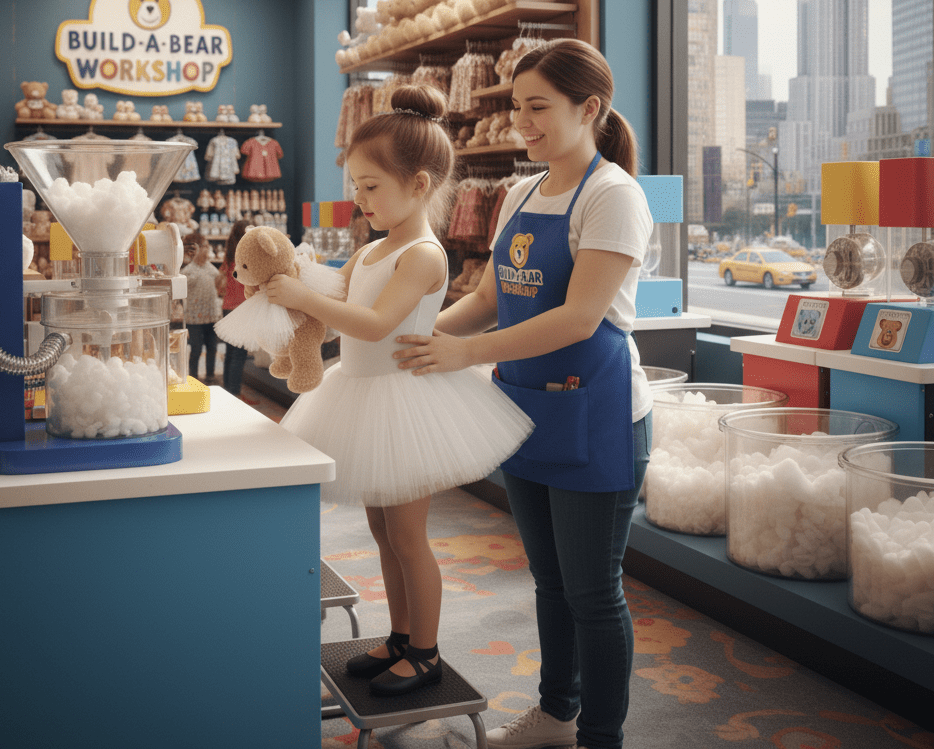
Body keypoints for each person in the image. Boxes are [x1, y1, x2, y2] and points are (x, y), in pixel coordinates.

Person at [393, 39, 653, 748]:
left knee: (595, 593)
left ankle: (601, 734)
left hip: (595, 414)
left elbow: (578, 316)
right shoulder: (519, 192)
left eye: (539, 108)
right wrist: (413, 338)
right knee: (549, 582)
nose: (522, 123)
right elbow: (489, 297)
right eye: (516, 107)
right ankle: (556, 713)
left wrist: (464, 355)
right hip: (527, 407)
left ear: (588, 109)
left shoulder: (615, 196)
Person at [266, 84, 534, 697]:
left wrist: (306, 298)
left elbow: (376, 324)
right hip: (359, 393)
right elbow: (345, 308)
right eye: (355, 187)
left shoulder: (423, 254)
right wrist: (300, 287)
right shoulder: (373, 250)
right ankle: (399, 636)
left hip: (402, 400)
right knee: (383, 533)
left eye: (371, 187)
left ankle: (427, 652)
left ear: (418, 184)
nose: (360, 201)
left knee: (410, 537)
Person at [216, 218, 252, 397]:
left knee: (231, 352)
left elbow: (222, 277)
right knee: (239, 354)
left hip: (228, 306)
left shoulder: (230, 254)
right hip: (244, 308)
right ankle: (234, 394)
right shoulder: (248, 254)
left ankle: (228, 391)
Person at [181, 232, 222, 382]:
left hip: (211, 316)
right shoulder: (188, 270)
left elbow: (218, 281)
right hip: (194, 318)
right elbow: (183, 288)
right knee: (196, 349)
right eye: (204, 246)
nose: (206, 249)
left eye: (207, 246)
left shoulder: (211, 268)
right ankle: (193, 378)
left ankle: (210, 377)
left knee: (212, 347)